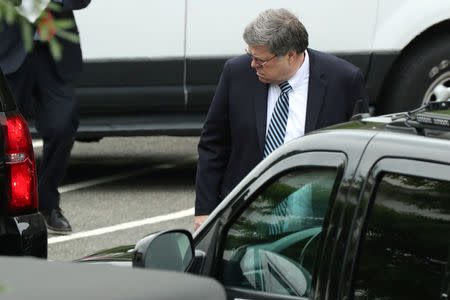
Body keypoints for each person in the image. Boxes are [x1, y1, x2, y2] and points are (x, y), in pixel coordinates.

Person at [194, 8, 369, 230]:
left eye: (260, 60)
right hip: (244, 215)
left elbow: (359, 152)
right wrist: (204, 210)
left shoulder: (344, 80)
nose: (253, 65)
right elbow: (213, 144)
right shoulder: (236, 73)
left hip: (315, 219)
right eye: (250, 55)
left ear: (290, 55)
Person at [0, 0, 91, 233]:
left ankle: (47, 202)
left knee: (63, 125)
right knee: (3, 132)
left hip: (53, 50)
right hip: (8, 48)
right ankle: (7, 209)